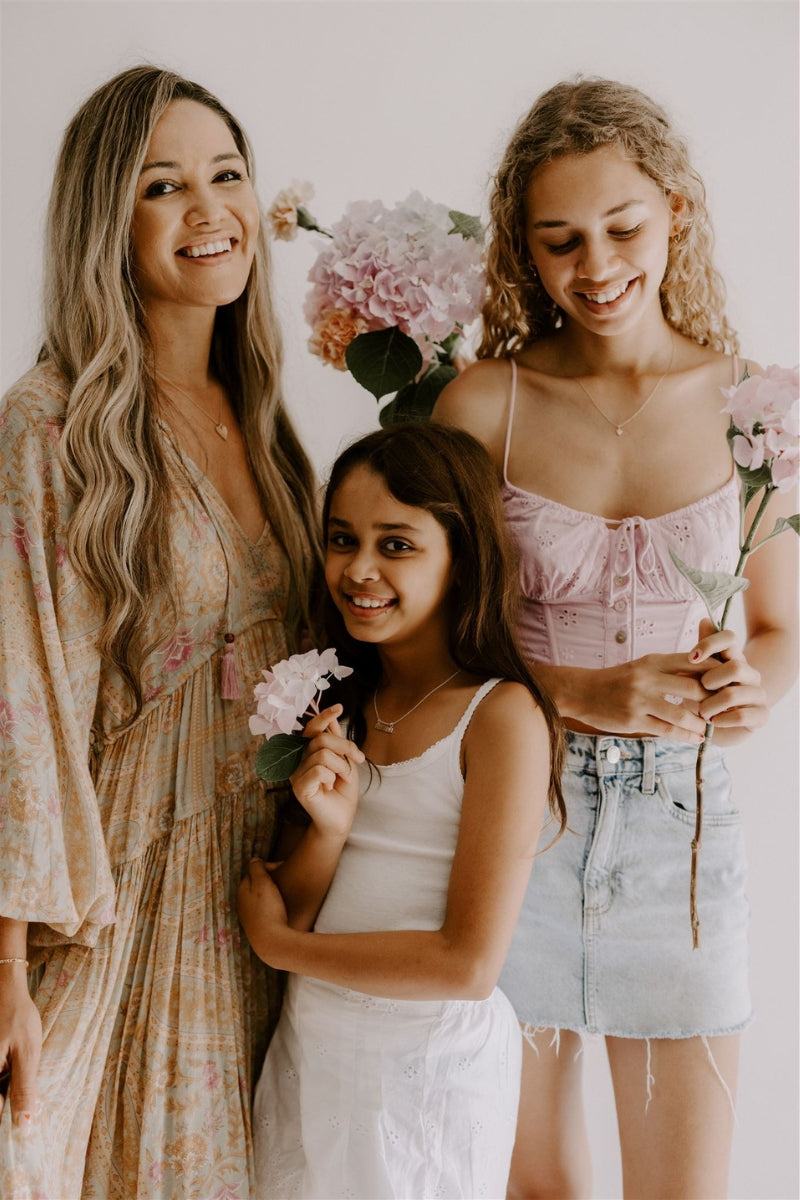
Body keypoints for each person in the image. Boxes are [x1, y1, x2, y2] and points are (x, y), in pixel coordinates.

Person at [433, 77, 797, 1199]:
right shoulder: (478, 405)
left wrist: (754, 687)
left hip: (683, 843)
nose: (594, 269)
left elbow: (779, 628)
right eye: (559, 243)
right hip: (512, 821)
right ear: (523, 254)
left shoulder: (753, 404)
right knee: (531, 1184)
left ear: (674, 212)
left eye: (621, 227)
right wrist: (581, 690)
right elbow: (433, 648)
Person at [0, 66, 321, 1198]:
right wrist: (4, 970)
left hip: (262, 898)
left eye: (226, 176)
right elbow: (20, 698)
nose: (209, 210)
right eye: (163, 185)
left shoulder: (267, 423)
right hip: (122, 900)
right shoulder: (54, 426)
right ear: (106, 217)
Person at [237, 423, 566, 1199]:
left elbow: (467, 963)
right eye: (342, 539)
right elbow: (295, 906)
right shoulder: (336, 700)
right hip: (314, 1047)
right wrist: (330, 832)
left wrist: (285, 950)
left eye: (398, 545)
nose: (359, 570)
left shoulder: (500, 716)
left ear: (462, 557)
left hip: (427, 1068)